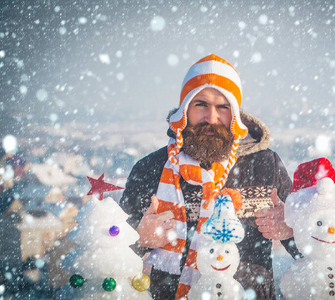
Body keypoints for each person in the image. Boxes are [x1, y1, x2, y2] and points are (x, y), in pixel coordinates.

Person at [120, 54, 299, 300]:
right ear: (185, 110)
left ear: (235, 114)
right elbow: (112, 255)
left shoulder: (265, 165)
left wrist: (292, 229)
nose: (211, 118)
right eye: (201, 104)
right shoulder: (149, 170)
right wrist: (139, 239)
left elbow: (316, 252)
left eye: (222, 106)